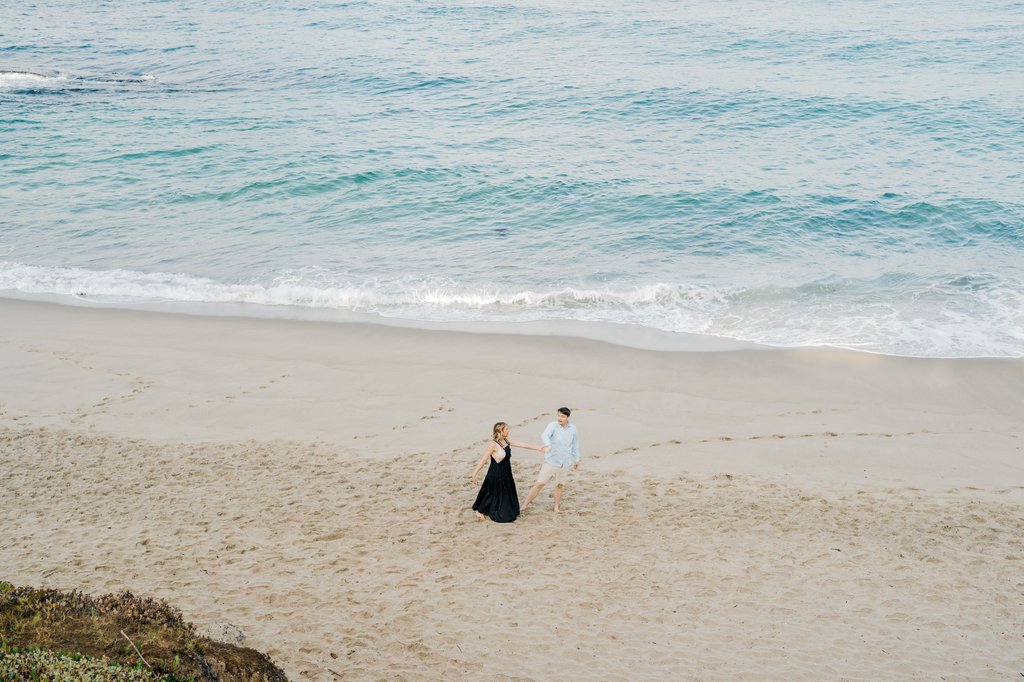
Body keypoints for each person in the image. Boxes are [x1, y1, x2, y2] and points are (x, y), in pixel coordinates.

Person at [471, 422, 545, 523]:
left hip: (506, 472)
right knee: (490, 492)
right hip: (495, 472)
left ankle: (494, 508)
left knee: (504, 492)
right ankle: (479, 512)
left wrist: (538, 448)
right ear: (500, 431)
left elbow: (522, 445)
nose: (508, 431)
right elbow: (484, 459)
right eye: (506, 429)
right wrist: (475, 473)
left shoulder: (506, 441)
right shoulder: (493, 444)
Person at [520, 407, 580, 513]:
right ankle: (524, 505)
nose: (559, 418)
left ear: (567, 417)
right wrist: (548, 445)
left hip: (565, 463)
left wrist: (577, 459)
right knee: (540, 484)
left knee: (560, 485)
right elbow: (545, 435)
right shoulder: (553, 425)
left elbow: (575, 445)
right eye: (558, 415)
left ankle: (556, 507)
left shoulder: (573, 428)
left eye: (562, 416)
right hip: (551, 461)